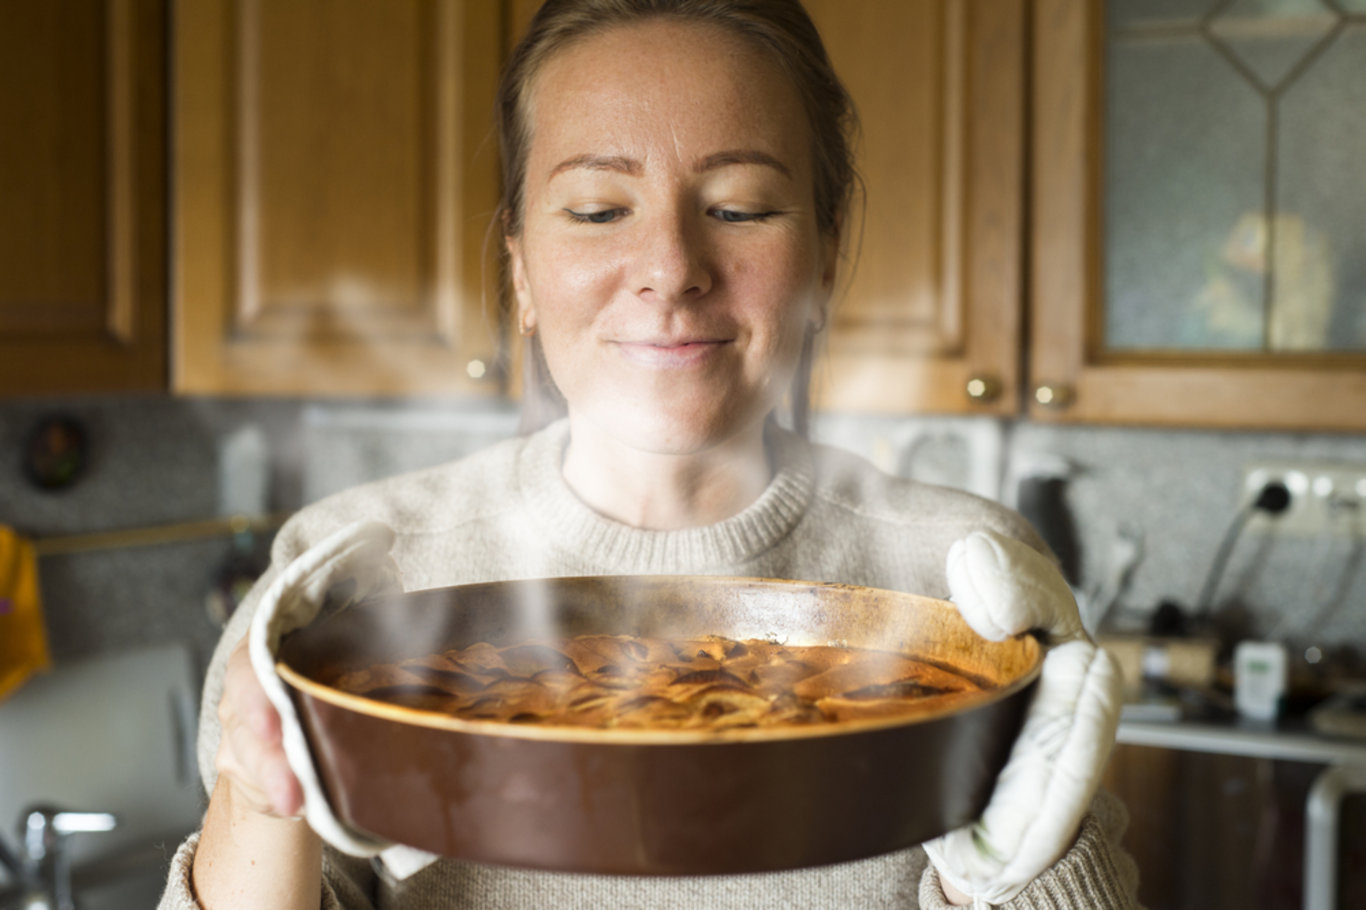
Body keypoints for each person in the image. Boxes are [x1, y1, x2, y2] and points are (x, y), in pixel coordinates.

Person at [160, 1, 1138, 908]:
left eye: (742, 206)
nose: (671, 268)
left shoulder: (964, 594)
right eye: (596, 210)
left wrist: (1034, 867)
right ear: (520, 268)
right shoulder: (342, 588)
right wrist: (261, 787)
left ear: (825, 256)